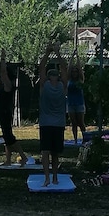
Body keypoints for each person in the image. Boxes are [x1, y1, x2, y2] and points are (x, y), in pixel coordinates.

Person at [39, 39, 68, 186]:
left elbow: (43, 68)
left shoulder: (54, 86)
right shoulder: (54, 86)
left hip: (51, 123)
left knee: (49, 152)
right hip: (53, 123)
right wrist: (54, 52)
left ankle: (51, 178)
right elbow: (62, 68)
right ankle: (50, 178)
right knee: (50, 152)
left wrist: (50, 53)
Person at [0, 49, 28, 166]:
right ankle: (8, 160)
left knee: (9, 137)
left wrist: (2, 58)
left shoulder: (8, 85)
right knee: (6, 137)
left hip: (5, 112)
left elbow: (3, 72)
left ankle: (23, 156)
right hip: (3, 112)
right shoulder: (7, 85)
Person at [66, 49, 86, 144]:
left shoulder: (80, 79)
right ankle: (75, 140)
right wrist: (71, 57)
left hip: (79, 103)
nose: (74, 73)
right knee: (73, 123)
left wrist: (77, 57)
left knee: (81, 123)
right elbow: (69, 68)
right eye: (73, 72)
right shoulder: (69, 79)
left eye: (76, 72)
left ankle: (85, 138)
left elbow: (80, 68)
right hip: (71, 103)